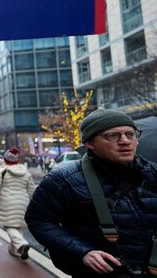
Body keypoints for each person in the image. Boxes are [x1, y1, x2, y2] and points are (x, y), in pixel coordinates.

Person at [26, 109, 157, 277]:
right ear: (90, 143)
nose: (125, 141)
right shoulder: (63, 179)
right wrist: (83, 252)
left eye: (130, 134)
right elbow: (39, 220)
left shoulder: (153, 172)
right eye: (112, 136)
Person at [0, 148, 35, 260]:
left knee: (9, 226)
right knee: (18, 225)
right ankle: (15, 250)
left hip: (7, 201)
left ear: (5, 159)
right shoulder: (25, 172)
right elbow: (32, 189)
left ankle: (21, 244)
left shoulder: (2, 171)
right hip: (23, 202)